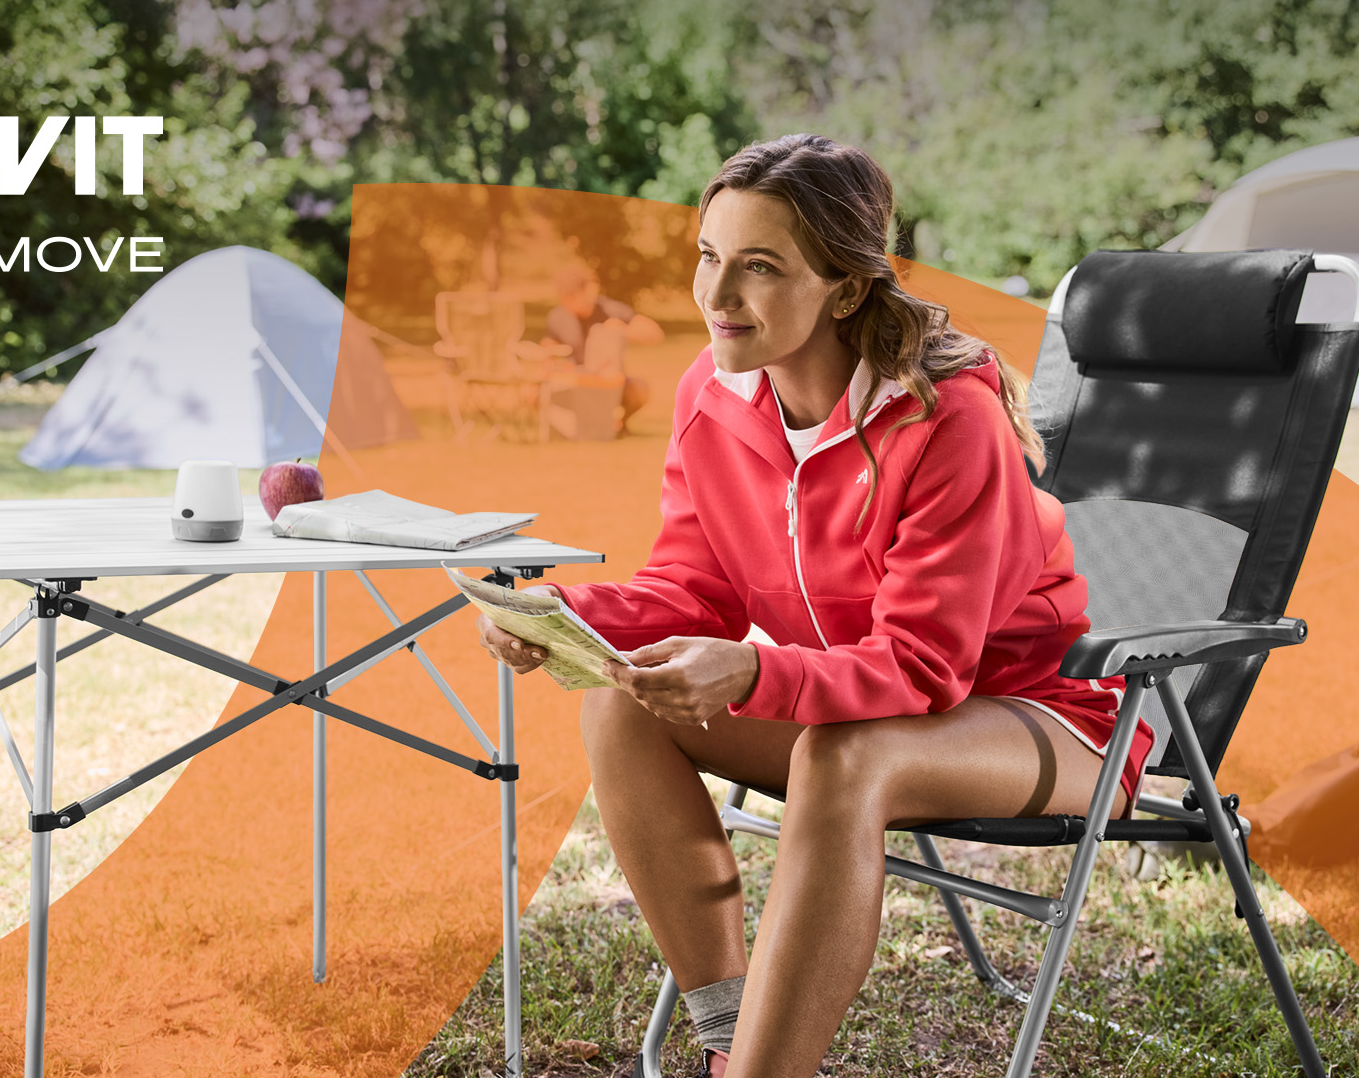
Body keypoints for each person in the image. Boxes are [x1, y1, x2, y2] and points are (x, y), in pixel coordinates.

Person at [475, 134, 1137, 1078]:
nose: (716, 296)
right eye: (708, 256)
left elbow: (923, 668)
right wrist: (566, 612)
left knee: (845, 751)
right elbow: (693, 586)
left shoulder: (949, 419)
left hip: (1043, 722)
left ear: (847, 288)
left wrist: (749, 667)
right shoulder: (713, 392)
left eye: (759, 266)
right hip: (859, 716)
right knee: (621, 703)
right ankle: (725, 1045)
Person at [539, 263, 663, 428]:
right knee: (532, 393)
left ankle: (619, 424)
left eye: (574, 296)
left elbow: (655, 334)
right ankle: (569, 425)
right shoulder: (558, 317)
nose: (570, 303)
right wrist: (547, 361)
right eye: (565, 298)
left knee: (640, 391)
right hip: (577, 381)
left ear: (585, 291)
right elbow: (548, 347)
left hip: (608, 380)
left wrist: (623, 330)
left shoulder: (609, 310)